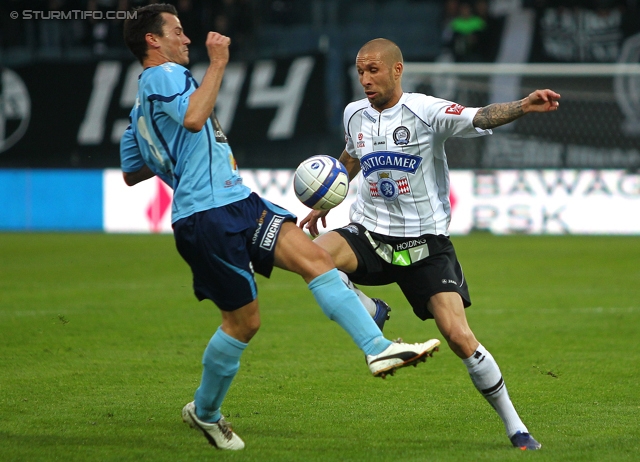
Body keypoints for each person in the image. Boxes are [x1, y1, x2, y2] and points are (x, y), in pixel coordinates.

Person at [119, 5, 440, 451]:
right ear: (152, 41)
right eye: (176, 31)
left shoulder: (138, 110)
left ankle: (376, 345)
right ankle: (205, 411)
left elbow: (132, 170)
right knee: (243, 323)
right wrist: (218, 63)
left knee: (314, 257)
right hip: (207, 216)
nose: (187, 38)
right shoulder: (165, 77)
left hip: (237, 201)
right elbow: (193, 118)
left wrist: (170, 150)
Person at [300, 38, 561, 451]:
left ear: (397, 70)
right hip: (368, 233)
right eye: (360, 71)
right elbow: (350, 156)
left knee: (458, 337)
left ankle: (516, 426)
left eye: (374, 71)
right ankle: (371, 311)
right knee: (309, 254)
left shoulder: (426, 111)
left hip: (425, 245)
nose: (365, 80)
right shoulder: (354, 114)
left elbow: (481, 116)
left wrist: (522, 106)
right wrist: (323, 199)